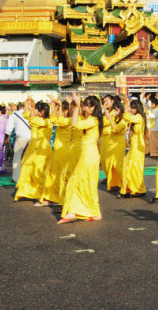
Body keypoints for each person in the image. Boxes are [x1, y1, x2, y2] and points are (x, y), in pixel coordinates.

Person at [58, 95, 103, 223]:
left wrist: (77, 106)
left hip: (89, 155)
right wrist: (75, 106)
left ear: (93, 107)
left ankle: (73, 212)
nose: (84, 108)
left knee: (76, 181)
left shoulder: (93, 120)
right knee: (87, 184)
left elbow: (74, 124)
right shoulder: (91, 119)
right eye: (84, 105)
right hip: (88, 154)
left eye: (86, 105)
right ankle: (94, 212)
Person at [14, 99, 53, 203]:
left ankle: (44, 195)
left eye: (36, 110)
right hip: (33, 147)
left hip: (42, 149)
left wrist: (31, 107)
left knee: (38, 172)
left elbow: (32, 120)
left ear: (42, 112)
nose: (34, 111)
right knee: (26, 167)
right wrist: (28, 105)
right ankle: (27, 192)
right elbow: (26, 115)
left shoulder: (46, 121)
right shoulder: (38, 118)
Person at [118, 97, 147, 198]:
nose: (130, 110)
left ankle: (136, 189)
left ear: (137, 108)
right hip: (134, 145)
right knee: (131, 167)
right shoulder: (138, 117)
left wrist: (125, 105)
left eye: (132, 108)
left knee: (133, 167)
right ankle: (134, 188)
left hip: (137, 146)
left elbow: (127, 117)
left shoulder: (138, 117)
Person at [101, 96, 126, 192]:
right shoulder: (105, 111)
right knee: (104, 161)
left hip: (112, 138)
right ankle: (112, 180)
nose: (105, 102)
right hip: (104, 137)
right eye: (104, 101)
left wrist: (108, 115)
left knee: (114, 163)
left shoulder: (114, 112)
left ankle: (121, 183)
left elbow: (108, 123)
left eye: (107, 101)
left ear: (112, 101)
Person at [5, 102, 31, 182]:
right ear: (23, 107)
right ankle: (30, 177)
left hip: (21, 137)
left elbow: (9, 129)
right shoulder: (29, 113)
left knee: (17, 157)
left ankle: (16, 178)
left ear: (17, 108)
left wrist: (6, 139)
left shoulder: (13, 115)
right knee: (31, 157)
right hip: (32, 136)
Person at [145, 94, 158, 158]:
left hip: (156, 127)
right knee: (152, 141)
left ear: (157, 105)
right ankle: (152, 152)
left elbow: (153, 116)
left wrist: (147, 112)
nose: (152, 105)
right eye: (152, 104)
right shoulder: (152, 110)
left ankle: (156, 153)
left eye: (153, 104)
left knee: (156, 141)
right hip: (152, 127)